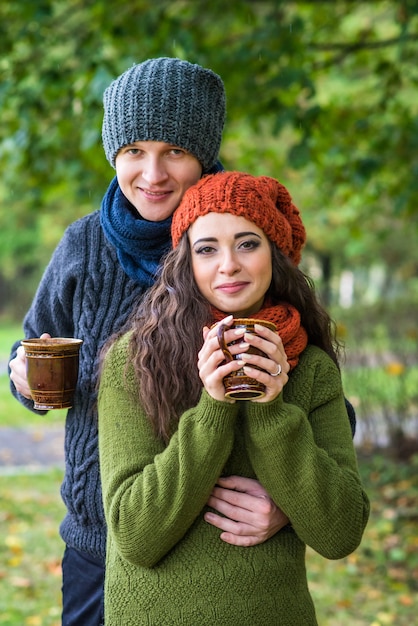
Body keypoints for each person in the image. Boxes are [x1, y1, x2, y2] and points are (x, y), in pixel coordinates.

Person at [8, 59, 287, 626]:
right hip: (97, 545)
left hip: (213, 551)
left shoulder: (239, 248)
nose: (152, 173)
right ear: (113, 154)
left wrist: (286, 503)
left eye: (174, 151)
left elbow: (326, 403)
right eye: (134, 150)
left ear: (204, 155)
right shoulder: (83, 246)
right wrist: (22, 376)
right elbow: (30, 348)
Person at [98, 171, 370, 625]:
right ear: (185, 262)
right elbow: (135, 534)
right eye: (206, 249)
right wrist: (214, 407)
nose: (228, 265)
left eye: (247, 243)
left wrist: (270, 408)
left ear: (275, 255)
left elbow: (340, 533)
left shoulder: (313, 370)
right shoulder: (135, 360)